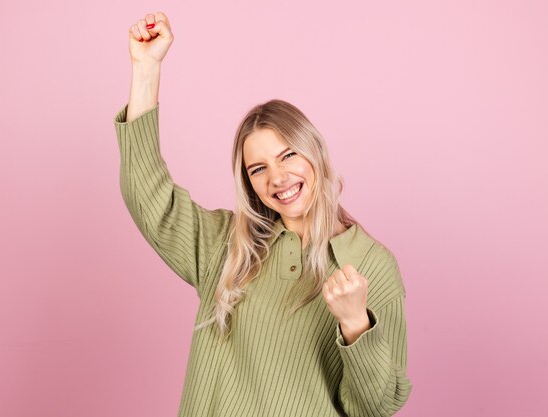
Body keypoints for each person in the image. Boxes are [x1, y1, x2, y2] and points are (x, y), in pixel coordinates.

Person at [113, 11, 412, 417]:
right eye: (258, 168)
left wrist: (356, 322)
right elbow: (149, 197)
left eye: (288, 155)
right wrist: (146, 69)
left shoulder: (373, 265)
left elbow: (375, 407)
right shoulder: (228, 244)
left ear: (316, 153)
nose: (278, 177)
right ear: (249, 181)